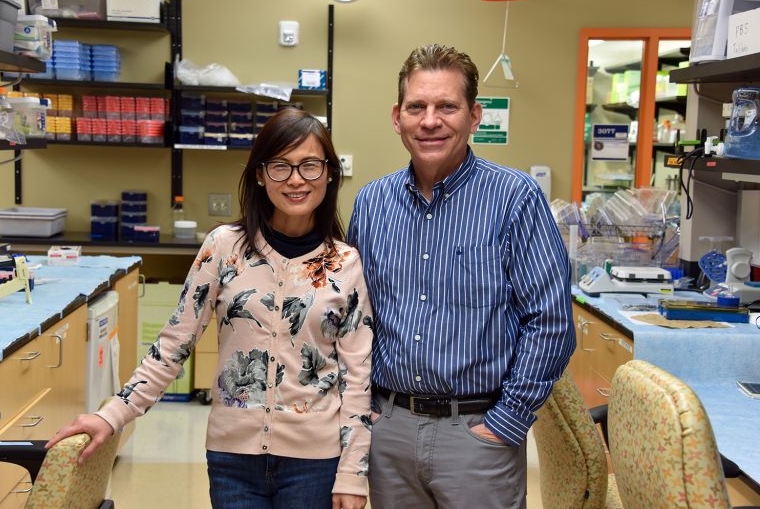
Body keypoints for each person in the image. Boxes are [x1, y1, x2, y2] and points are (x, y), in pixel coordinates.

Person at [47, 107, 374, 509]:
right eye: (280, 166)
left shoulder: (346, 263)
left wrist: (353, 472)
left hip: (316, 463)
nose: (295, 179)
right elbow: (173, 343)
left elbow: (356, 377)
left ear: (328, 173)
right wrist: (112, 414)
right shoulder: (223, 248)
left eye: (309, 165)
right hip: (232, 459)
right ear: (259, 174)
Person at [347, 44, 576, 509]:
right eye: (417, 107)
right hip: (388, 430)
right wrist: (364, 413)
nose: (430, 121)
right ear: (398, 116)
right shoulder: (371, 204)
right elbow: (355, 318)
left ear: (474, 116)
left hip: (476, 435)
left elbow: (551, 321)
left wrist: (506, 420)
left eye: (447, 106)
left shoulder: (515, 199)